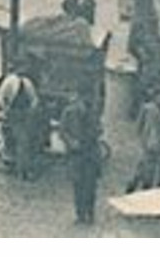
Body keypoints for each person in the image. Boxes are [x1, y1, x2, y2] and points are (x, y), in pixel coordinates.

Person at [61, 89, 103, 225]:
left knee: (90, 187)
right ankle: (80, 215)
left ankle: (90, 214)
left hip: (91, 154)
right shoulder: (69, 112)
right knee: (78, 186)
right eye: (83, 97)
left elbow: (100, 129)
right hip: (76, 155)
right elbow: (63, 131)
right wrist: (71, 142)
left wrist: (96, 132)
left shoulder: (94, 112)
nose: (85, 101)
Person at [127, 91, 160, 192]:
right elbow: (139, 125)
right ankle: (134, 189)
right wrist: (142, 139)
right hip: (148, 144)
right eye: (159, 96)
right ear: (154, 97)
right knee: (144, 171)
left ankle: (159, 195)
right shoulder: (147, 109)